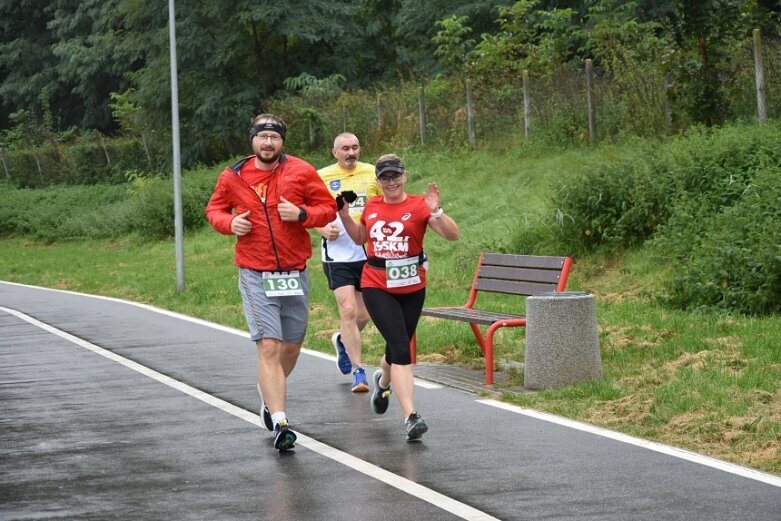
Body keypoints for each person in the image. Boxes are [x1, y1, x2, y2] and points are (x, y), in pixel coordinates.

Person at [205, 113, 337, 452]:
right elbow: (214, 211)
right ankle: (280, 421)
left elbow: (327, 208)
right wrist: (229, 223)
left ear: (282, 142)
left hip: (294, 272)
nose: (268, 143)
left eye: (274, 138)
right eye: (262, 137)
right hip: (255, 272)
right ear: (252, 140)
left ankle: (268, 392)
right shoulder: (233, 176)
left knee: (291, 347)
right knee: (269, 346)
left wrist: (304, 215)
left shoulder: (301, 171)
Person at [339, 154, 460, 440]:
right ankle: (410, 416)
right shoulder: (372, 205)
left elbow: (452, 236)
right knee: (401, 346)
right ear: (378, 181)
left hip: (413, 286)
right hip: (377, 284)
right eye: (385, 177)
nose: (390, 182)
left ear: (404, 176)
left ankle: (381, 381)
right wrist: (344, 215)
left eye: (395, 176)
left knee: (397, 350)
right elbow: (360, 238)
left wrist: (438, 211)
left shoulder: (420, 205)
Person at [315, 132, 380, 392]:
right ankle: (359, 372)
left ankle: (342, 341)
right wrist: (321, 228)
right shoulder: (321, 176)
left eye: (355, 147)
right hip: (336, 254)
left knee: (365, 314)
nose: (350, 152)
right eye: (345, 148)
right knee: (348, 311)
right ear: (335, 152)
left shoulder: (373, 172)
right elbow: (309, 211)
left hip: (365, 251)